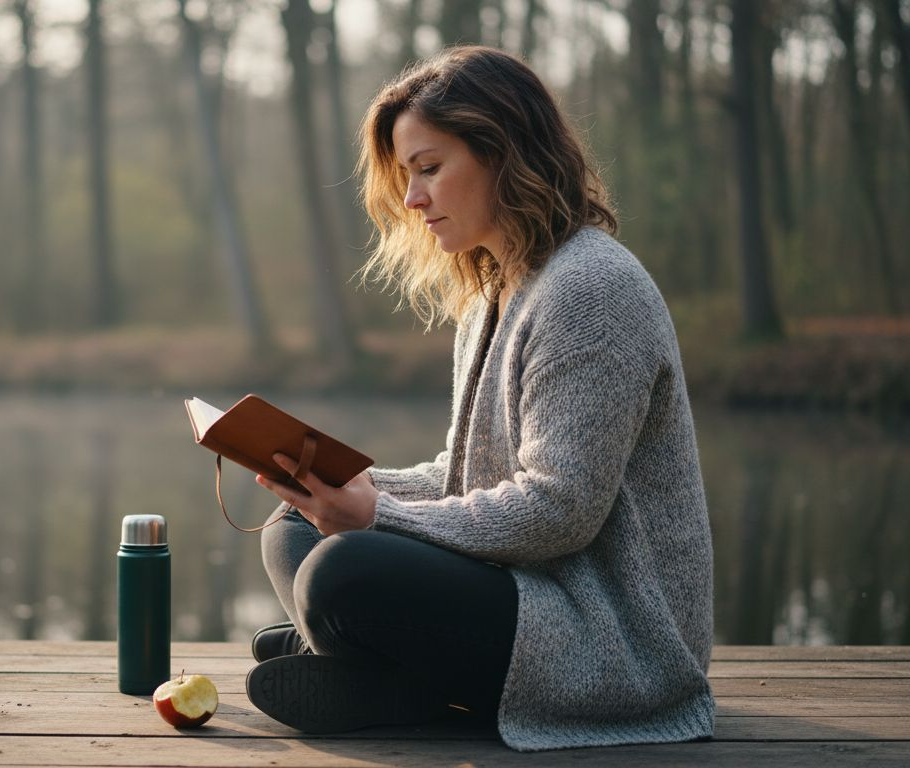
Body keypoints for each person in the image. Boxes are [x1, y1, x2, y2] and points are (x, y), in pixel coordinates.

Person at [244, 45, 715, 752]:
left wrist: (377, 516)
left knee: (345, 570)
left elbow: (559, 512)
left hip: (608, 637)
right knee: (294, 525)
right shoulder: (498, 288)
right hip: (525, 591)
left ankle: (386, 673)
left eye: (430, 169)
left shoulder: (589, 290)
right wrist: (353, 483)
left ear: (505, 153)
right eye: (407, 177)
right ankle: (387, 671)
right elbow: (469, 472)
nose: (412, 200)